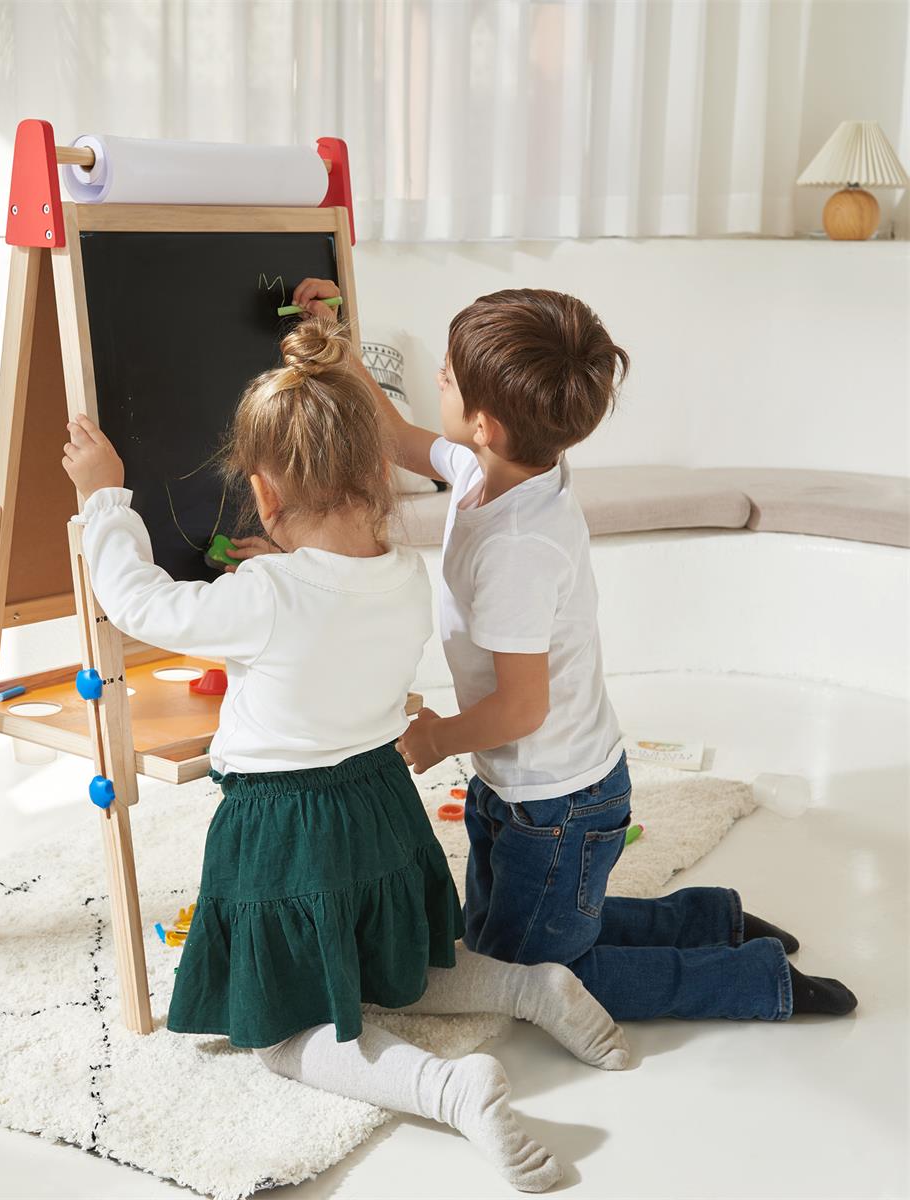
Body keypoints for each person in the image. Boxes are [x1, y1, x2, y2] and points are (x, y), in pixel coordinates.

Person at [61, 318, 629, 1193]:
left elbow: (142, 603)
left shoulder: (263, 596)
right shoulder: (403, 574)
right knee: (396, 967)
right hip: (382, 816)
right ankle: (529, 989)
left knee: (282, 1031)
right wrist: (282, 565)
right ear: (375, 481)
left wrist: (105, 500)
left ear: (264, 494)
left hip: (288, 836)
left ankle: (446, 1089)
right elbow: (325, 600)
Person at [283, 280, 857, 1023]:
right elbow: (394, 434)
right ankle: (711, 918)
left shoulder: (518, 548)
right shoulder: (489, 467)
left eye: (447, 377)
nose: (437, 380)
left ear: (484, 423)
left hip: (558, 801)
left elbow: (523, 707)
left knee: (534, 972)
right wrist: (340, 347)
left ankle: (754, 980)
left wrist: (438, 738)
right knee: (498, 938)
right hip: (525, 784)